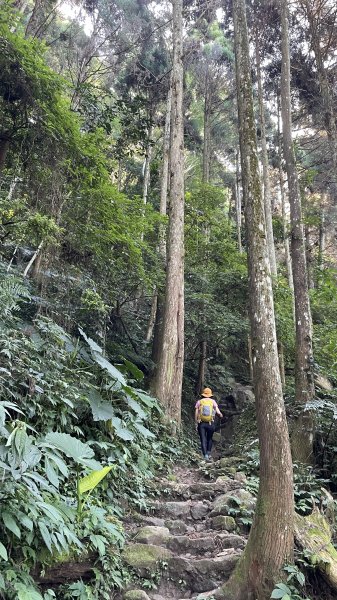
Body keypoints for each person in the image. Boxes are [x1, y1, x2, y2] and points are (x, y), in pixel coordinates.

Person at [195, 387, 223, 460]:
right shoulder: (213, 401)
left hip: (201, 423)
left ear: (203, 394)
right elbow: (217, 411)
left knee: (203, 439)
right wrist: (220, 415)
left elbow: (196, 412)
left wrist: (196, 421)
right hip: (210, 423)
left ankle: (205, 456)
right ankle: (208, 453)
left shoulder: (200, 402)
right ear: (210, 395)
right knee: (209, 438)